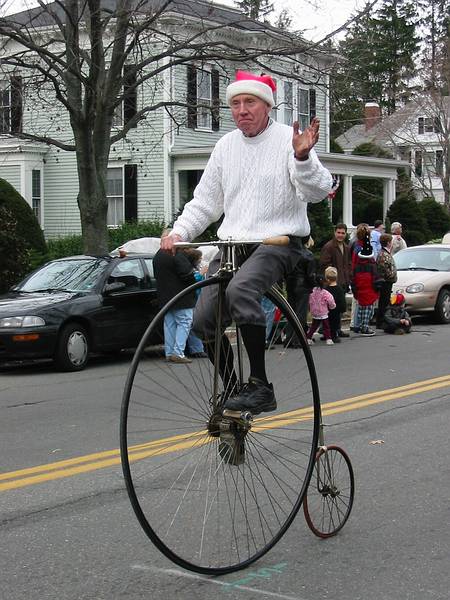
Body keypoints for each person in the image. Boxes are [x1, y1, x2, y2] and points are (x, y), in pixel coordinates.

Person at [161, 70, 333, 414]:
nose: (242, 110)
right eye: (236, 104)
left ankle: (260, 385)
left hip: (278, 242)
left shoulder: (289, 139)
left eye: (249, 102)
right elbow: (206, 202)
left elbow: (318, 189)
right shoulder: (226, 147)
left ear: (266, 106)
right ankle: (234, 389)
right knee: (203, 320)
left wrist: (301, 158)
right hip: (232, 246)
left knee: (241, 291)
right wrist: (179, 232)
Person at [153, 235, 197, 364]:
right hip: (181, 297)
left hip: (164, 296)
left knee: (169, 324)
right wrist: (195, 275)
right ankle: (178, 352)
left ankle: (169, 351)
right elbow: (187, 274)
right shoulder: (177, 254)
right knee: (184, 322)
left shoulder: (157, 256)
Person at [319, 223, 351, 337]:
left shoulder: (346, 247)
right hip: (331, 283)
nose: (340, 235)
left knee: (339, 307)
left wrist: (348, 279)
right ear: (334, 232)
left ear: (346, 234)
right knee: (330, 308)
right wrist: (330, 278)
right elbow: (324, 264)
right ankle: (327, 330)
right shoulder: (329, 246)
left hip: (343, 282)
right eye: (338, 232)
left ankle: (337, 329)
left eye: (343, 233)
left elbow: (347, 264)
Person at [284, 237, 316, 347]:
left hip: (290, 284)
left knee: (290, 312)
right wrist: (314, 284)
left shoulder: (289, 254)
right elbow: (310, 275)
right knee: (301, 313)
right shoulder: (308, 255)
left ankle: (289, 338)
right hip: (303, 286)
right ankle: (298, 339)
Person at [352, 229, 382, 336]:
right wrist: (378, 286)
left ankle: (359, 325)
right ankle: (365, 326)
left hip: (361, 288)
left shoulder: (357, 263)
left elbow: (354, 275)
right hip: (369, 288)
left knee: (361, 307)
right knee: (368, 309)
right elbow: (375, 278)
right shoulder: (370, 265)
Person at [183, 247, 208, 359]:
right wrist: (201, 274)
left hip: (198, 298)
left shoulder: (195, 268)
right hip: (194, 299)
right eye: (199, 258)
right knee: (194, 324)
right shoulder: (191, 271)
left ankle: (198, 347)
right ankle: (196, 349)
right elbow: (193, 282)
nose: (201, 260)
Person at [306, 274, 336, 345]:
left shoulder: (311, 292)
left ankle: (308, 338)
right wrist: (332, 306)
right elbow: (330, 300)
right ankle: (328, 339)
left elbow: (308, 300)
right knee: (326, 326)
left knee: (314, 326)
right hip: (323, 312)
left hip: (314, 312)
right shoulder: (325, 292)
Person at [375, 233, 397, 329]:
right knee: (383, 302)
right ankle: (380, 321)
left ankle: (383, 320)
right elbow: (384, 268)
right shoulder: (383, 254)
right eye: (391, 241)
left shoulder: (386, 253)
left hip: (387, 281)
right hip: (385, 281)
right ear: (388, 242)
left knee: (385, 301)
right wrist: (391, 275)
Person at [324, 266, 347, 343]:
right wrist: (343, 309)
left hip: (327, 310)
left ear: (327, 279)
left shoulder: (326, 289)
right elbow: (342, 300)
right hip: (336, 310)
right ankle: (333, 336)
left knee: (327, 323)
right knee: (335, 324)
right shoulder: (339, 289)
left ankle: (327, 334)